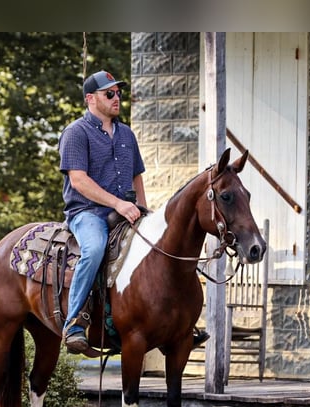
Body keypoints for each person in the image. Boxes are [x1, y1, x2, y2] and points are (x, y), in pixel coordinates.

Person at [58, 69, 209, 355]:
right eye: (110, 93)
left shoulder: (126, 133)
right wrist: (117, 203)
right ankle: (74, 323)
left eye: (119, 93)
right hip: (88, 213)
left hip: (128, 210)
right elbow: (78, 180)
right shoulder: (75, 133)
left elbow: (136, 176)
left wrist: (145, 212)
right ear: (91, 99)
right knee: (94, 248)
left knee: (162, 250)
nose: (117, 98)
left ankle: (177, 326)